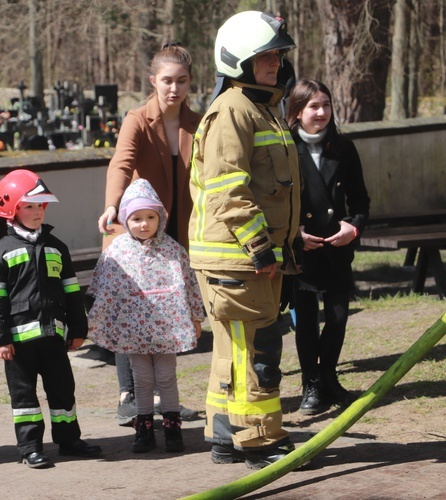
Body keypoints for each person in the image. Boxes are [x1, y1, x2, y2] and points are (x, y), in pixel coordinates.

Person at [188, 11, 301, 470]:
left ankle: (223, 436)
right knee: (256, 353)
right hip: (241, 258)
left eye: (276, 54)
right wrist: (260, 247)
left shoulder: (260, 109)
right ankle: (257, 440)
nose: (274, 63)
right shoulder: (233, 110)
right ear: (239, 61)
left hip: (252, 258)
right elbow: (227, 188)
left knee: (232, 351)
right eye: (264, 56)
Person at [96, 42, 203, 426]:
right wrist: (112, 205)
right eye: (167, 81)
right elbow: (120, 164)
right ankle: (130, 394)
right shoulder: (137, 118)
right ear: (152, 81)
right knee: (132, 311)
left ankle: (165, 398)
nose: (174, 89)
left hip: (176, 233)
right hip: (137, 227)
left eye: (182, 81)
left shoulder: (198, 122)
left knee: (165, 314)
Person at [0, 169, 102, 469]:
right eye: (29, 206)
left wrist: (78, 328)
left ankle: (69, 440)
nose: (37, 212)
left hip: (54, 338)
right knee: (24, 399)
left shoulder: (56, 246)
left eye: (41, 206)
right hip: (19, 345)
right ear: (10, 209)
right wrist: (0, 339)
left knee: (63, 391)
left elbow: (72, 292)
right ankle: (30, 448)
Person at [87, 179, 204, 453]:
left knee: (166, 377)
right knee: (141, 379)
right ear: (126, 219)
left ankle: (173, 430)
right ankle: (144, 430)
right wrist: (95, 321)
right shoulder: (117, 251)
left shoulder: (173, 249)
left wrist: (196, 316)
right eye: (136, 218)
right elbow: (103, 289)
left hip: (168, 330)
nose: (144, 224)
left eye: (150, 217)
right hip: (134, 332)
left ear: (160, 217)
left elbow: (190, 285)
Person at [285, 79, 370, 415]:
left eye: (326, 105)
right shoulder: (286, 147)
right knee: (305, 321)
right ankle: (311, 385)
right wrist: (295, 234)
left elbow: (361, 199)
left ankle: (329, 377)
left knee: (337, 317)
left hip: (336, 248)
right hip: (303, 249)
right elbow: (275, 201)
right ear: (297, 111)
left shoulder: (343, 148)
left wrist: (354, 227)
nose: (321, 113)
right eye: (313, 106)